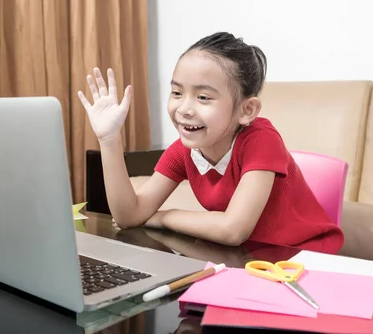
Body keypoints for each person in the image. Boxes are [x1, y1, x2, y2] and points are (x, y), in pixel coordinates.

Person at [78, 32, 344, 253]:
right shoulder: (183, 151)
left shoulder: (261, 139)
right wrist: (109, 139)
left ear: (246, 110)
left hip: (304, 259)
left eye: (203, 97)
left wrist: (163, 216)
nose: (184, 108)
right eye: (177, 92)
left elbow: (232, 230)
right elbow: (128, 216)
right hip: (249, 260)